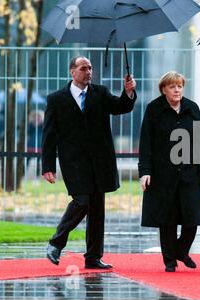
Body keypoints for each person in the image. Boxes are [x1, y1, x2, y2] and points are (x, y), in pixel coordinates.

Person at [42, 56, 137, 269]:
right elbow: (49, 135)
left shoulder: (100, 93)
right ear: (72, 72)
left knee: (97, 209)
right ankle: (56, 242)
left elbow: (121, 107)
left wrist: (128, 91)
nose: (89, 72)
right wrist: (47, 166)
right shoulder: (56, 99)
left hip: (100, 161)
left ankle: (93, 257)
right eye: (84, 68)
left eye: (90, 68)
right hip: (74, 162)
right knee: (82, 202)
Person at [138, 71, 200, 272]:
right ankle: (169, 260)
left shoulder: (191, 108)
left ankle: (181, 249)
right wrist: (145, 171)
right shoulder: (154, 109)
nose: (177, 90)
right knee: (167, 219)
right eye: (172, 86)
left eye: (179, 86)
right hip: (162, 173)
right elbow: (146, 143)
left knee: (192, 217)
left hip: (188, 171)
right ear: (164, 89)